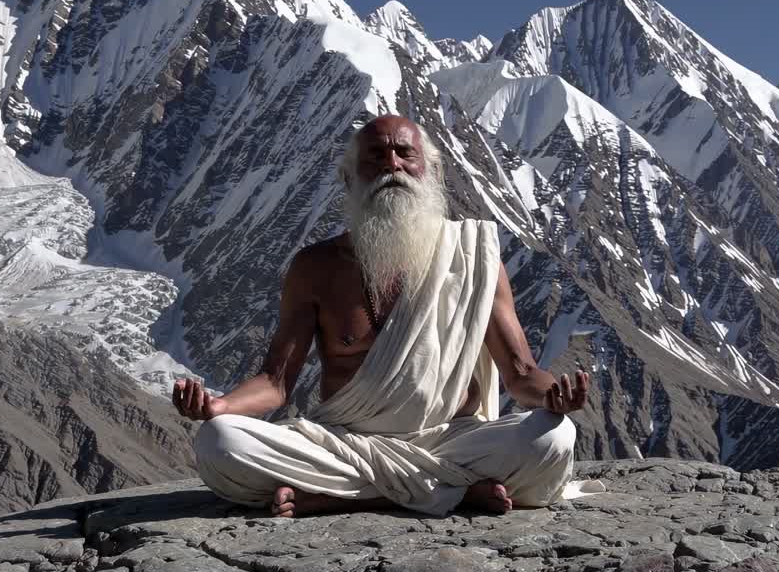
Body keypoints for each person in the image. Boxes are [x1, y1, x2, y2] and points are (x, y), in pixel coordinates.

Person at [172, 114, 591, 518]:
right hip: (348, 443)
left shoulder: (472, 254)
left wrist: (553, 395)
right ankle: (451, 492)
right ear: (349, 177)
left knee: (555, 436)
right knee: (219, 440)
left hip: (449, 439)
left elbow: (521, 373)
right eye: (375, 156)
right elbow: (278, 382)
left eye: (405, 154)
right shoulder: (315, 267)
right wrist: (221, 405)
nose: (392, 165)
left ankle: (342, 499)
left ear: (430, 171)